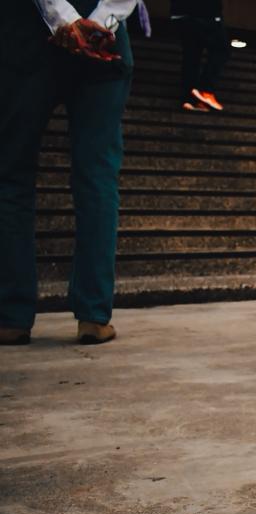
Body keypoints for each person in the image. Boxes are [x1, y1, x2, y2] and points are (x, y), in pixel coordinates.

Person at [2, 0, 139, 346]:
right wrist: (100, 22)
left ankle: (10, 316)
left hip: (30, 33)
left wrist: (65, 19)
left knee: (12, 174)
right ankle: (93, 314)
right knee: (98, 177)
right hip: (104, 37)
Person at [173, 0, 230, 110]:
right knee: (221, 50)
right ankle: (205, 90)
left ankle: (189, 99)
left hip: (181, 13)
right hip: (205, 12)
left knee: (192, 54)